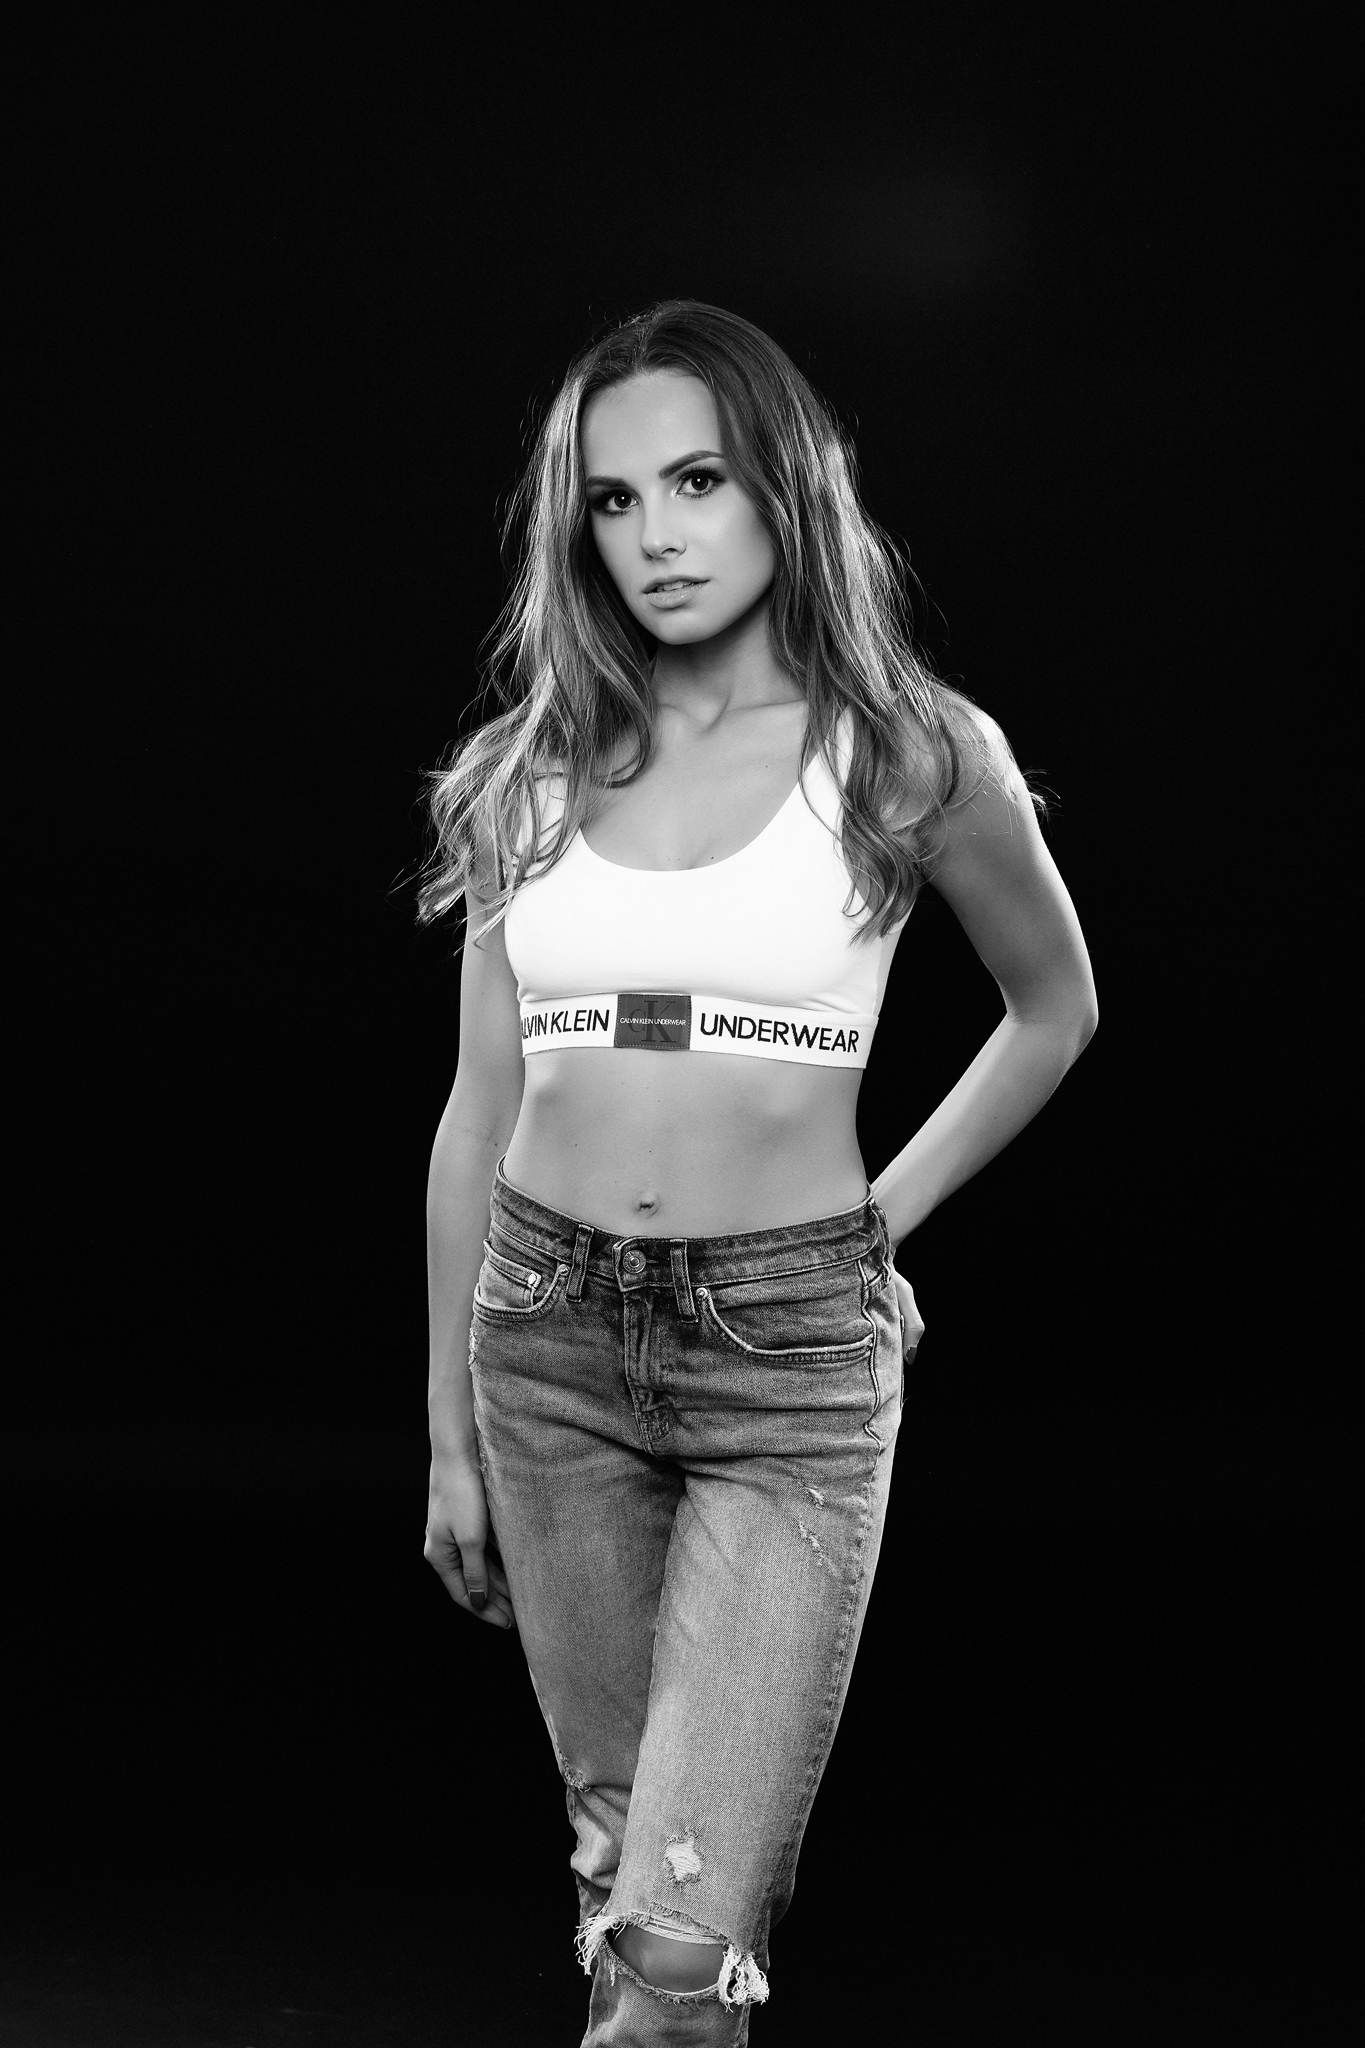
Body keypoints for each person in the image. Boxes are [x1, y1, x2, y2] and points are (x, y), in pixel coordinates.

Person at [419, 300, 1097, 2045]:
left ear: (786, 486)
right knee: (615, 1866)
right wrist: (448, 1435)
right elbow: (478, 1109)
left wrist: (874, 1226)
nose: (655, 535)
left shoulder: (910, 751)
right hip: (541, 1346)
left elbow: (1053, 1007)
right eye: (613, 498)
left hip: (785, 1362)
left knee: (676, 1938)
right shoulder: (529, 770)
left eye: (698, 481)